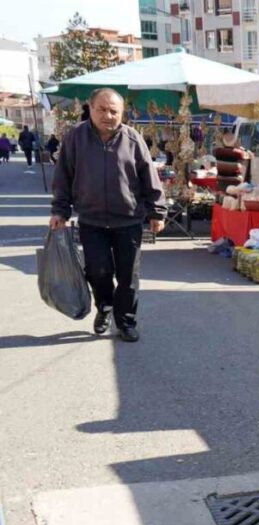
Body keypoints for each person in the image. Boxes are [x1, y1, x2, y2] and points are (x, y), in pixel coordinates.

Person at [49, 88, 166, 342]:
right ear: (90, 109)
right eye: (102, 109)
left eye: (114, 111)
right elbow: (63, 177)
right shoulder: (75, 138)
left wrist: (157, 211)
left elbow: (150, 178)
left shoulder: (133, 139)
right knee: (97, 271)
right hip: (91, 220)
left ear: (122, 113)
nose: (108, 115)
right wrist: (60, 210)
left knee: (128, 276)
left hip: (129, 220)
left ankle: (125, 322)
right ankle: (105, 306)